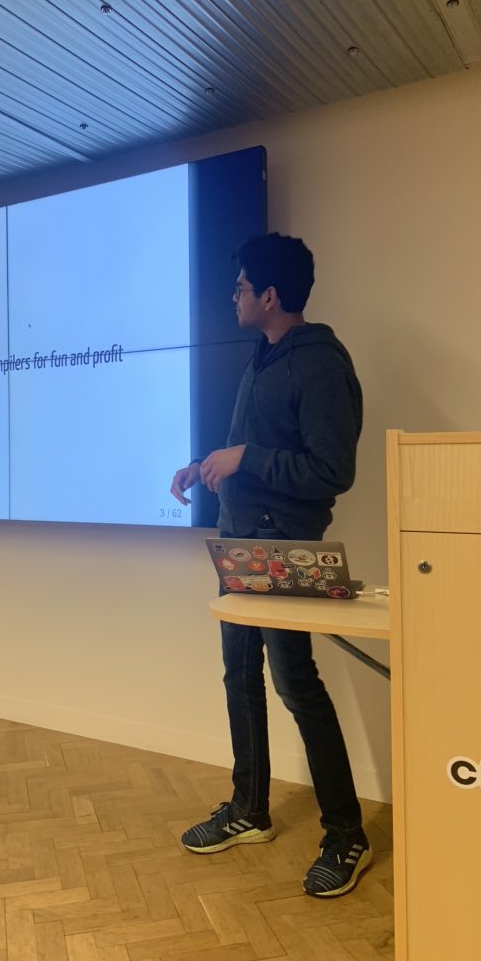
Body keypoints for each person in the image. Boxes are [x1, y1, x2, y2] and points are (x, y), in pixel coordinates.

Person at [170, 232, 370, 898]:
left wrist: (246, 458)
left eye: (241, 288)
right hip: (240, 545)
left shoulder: (319, 363)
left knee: (296, 685)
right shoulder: (265, 355)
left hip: (283, 551)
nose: (233, 297)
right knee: (240, 676)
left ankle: (347, 834)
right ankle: (249, 810)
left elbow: (332, 470)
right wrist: (205, 465)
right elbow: (251, 449)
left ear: (271, 295)